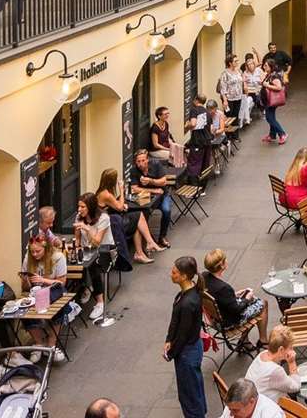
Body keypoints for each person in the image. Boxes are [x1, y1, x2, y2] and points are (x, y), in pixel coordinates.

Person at [165, 256, 207, 418]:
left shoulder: (188, 302)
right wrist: (169, 339)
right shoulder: (186, 295)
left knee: (189, 392)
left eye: (174, 272)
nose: (171, 274)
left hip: (187, 352)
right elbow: (175, 321)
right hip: (189, 348)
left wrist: (171, 352)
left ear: (183, 276)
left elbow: (183, 334)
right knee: (193, 386)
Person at [98, 166, 164, 263]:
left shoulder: (103, 191)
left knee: (137, 221)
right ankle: (148, 244)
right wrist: (121, 189)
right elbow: (119, 207)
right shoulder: (106, 194)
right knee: (139, 217)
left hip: (111, 218)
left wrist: (119, 204)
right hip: (110, 223)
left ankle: (141, 252)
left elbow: (115, 205)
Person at [20, 234, 69, 359]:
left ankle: (51, 345)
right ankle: (39, 343)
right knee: (23, 309)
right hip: (35, 293)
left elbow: (61, 282)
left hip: (54, 290)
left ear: (46, 249)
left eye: (38, 251)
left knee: (58, 303)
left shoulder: (58, 257)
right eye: (32, 252)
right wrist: (26, 280)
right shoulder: (28, 259)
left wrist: (43, 280)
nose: (35, 254)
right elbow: (25, 288)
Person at [203, 248, 266, 345]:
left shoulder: (204, 276)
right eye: (225, 259)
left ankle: (245, 341)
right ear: (222, 265)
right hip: (228, 323)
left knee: (254, 301)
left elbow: (218, 297)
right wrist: (247, 298)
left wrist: (234, 295)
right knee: (263, 304)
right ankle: (263, 340)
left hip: (214, 319)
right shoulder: (224, 288)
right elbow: (237, 310)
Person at [74, 193, 120, 323]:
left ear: (91, 207)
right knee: (75, 261)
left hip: (105, 251)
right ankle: (87, 287)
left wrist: (87, 229)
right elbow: (77, 238)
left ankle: (100, 302)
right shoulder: (79, 217)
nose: (79, 210)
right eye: (79, 206)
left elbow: (97, 242)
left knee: (93, 265)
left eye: (82, 207)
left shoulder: (103, 218)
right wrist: (76, 247)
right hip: (87, 251)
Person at [134, 147, 179, 245]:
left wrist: (150, 181)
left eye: (143, 160)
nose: (141, 164)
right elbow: (134, 188)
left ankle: (162, 236)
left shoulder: (156, 164)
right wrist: (152, 190)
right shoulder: (135, 170)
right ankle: (147, 239)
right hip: (147, 198)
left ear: (147, 160)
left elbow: (163, 181)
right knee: (142, 213)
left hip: (162, 195)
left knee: (166, 210)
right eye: (138, 161)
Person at [245, 325, 303, 402]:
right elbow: (296, 387)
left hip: (251, 399)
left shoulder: (262, 354)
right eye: (290, 347)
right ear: (281, 349)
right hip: (264, 408)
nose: (292, 350)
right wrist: (291, 363)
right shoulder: (275, 371)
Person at [219, 55, 246, 146]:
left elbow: (242, 80)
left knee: (236, 116)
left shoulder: (239, 71)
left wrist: (245, 86)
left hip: (238, 97)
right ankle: (227, 136)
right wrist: (225, 100)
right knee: (229, 117)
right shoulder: (225, 73)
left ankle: (235, 135)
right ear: (230, 63)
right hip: (229, 98)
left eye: (237, 61)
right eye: (235, 61)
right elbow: (223, 88)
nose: (237, 62)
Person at [261, 59, 288, 144]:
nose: (264, 67)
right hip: (267, 100)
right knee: (271, 117)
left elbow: (279, 87)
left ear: (271, 67)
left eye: (266, 66)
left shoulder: (274, 76)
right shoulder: (269, 74)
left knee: (270, 118)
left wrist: (267, 85)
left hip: (271, 101)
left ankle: (282, 133)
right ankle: (272, 135)